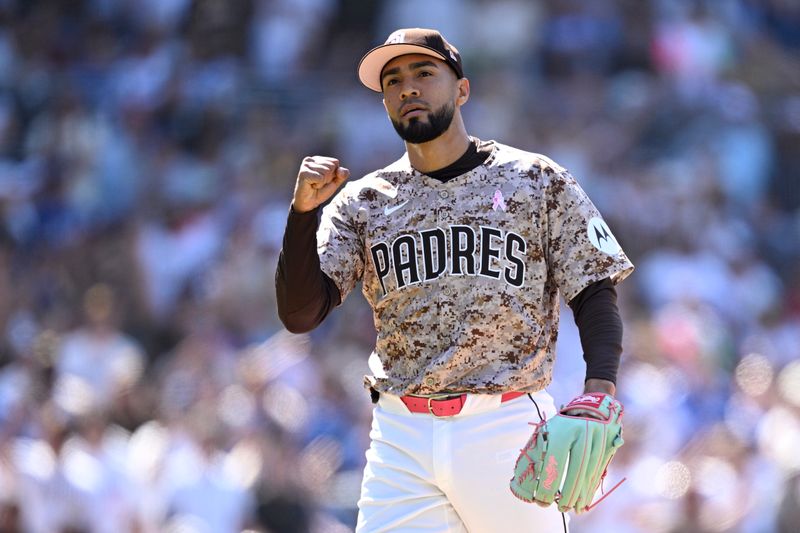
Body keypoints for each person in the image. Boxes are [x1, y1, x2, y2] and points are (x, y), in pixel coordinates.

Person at [276, 28, 634, 532]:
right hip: (401, 432)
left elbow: (595, 290)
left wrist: (599, 391)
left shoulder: (534, 179)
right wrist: (301, 216)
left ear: (461, 90)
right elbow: (299, 314)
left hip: (505, 423)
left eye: (424, 73)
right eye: (393, 80)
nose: (408, 89)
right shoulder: (363, 202)